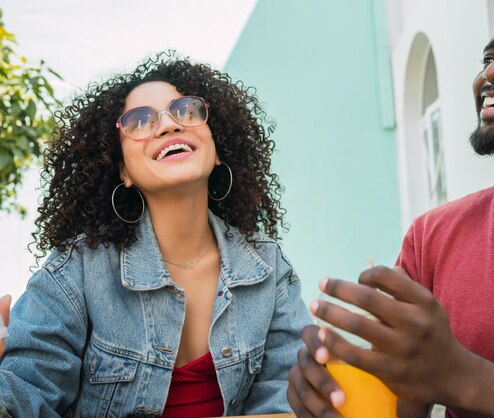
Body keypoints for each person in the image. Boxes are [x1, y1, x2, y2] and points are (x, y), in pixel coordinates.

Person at [287, 1, 494, 417]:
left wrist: (465, 378)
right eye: (489, 57)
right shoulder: (432, 238)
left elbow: (453, 376)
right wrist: (333, 393)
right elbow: (403, 406)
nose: (492, 72)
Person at [0, 52, 312, 417]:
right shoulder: (76, 271)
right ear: (123, 172)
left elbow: (288, 398)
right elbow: (25, 394)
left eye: (186, 110)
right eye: (139, 120)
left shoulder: (268, 267)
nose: (168, 125)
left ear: (216, 150)